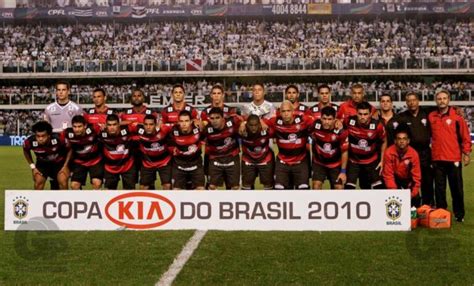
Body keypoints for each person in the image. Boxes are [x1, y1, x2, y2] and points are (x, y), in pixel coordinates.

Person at [429, 90, 471, 222]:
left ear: (448, 100)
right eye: (439, 98)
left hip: (453, 159)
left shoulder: (457, 117)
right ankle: (442, 214)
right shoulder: (431, 116)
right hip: (437, 159)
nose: (442, 100)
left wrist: (467, 153)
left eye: (444, 98)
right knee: (439, 190)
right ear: (436, 100)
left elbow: (465, 136)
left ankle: (459, 215)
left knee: (456, 189)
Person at [266, 100, 313, 190]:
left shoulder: (303, 120)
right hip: (282, 162)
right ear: (280, 112)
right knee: (279, 189)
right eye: (283, 111)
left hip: (301, 161)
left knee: (303, 190)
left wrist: (336, 121)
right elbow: (261, 122)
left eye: (288, 111)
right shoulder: (275, 121)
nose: (286, 114)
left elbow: (319, 122)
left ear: (293, 111)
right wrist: (244, 124)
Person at [397, 92, 434, 206]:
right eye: (409, 101)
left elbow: (442, 107)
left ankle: (428, 206)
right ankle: (413, 206)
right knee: (411, 181)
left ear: (418, 101)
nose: (411, 103)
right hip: (410, 154)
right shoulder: (402, 117)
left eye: (414, 100)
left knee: (427, 181)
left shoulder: (426, 112)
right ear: (406, 103)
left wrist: (456, 108)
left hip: (425, 154)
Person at [344, 102, 386, 190]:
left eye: (365, 114)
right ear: (356, 113)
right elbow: (337, 123)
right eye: (360, 114)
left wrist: (382, 160)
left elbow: (384, 141)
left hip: (371, 161)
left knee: (378, 188)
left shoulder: (377, 125)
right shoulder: (349, 121)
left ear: (370, 114)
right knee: (348, 188)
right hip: (353, 161)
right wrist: (337, 122)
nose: (363, 117)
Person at [23, 121, 71, 190]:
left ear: (49, 135)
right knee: (38, 182)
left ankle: (64, 200)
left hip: (59, 163)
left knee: (63, 182)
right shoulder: (30, 142)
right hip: (42, 164)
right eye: (38, 136)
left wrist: (66, 166)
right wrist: (33, 167)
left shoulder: (59, 138)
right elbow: (25, 151)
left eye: (43, 136)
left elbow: (70, 149)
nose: (40, 139)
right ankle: (37, 200)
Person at [202, 107, 242, 190]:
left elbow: (246, 119)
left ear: (223, 118)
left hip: (232, 156)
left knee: (235, 187)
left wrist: (243, 123)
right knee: (212, 186)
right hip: (215, 158)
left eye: (217, 118)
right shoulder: (206, 130)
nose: (214, 120)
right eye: (212, 118)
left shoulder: (233, 121)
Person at [310, 106, 349, 189]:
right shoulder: (315, 125)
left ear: (335, 119)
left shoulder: (341, 132)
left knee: (339, 187)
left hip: (336, 165)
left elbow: (344, 152)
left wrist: (343, 172)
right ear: (320, 118)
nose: (326, 122)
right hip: (319, 163)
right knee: (316, 185)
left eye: (329, 119)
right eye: (324, 119)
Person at [383, 126, 421, 206]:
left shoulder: (414, 154)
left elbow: (416, 177)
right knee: (390, 198)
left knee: (416, 198)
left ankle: (414, 217)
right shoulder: (389, 152)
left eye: (404, 139)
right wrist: (395, 193)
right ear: (395, 141)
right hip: (395, 179)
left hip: (408, 180)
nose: (402, 141)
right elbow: (388, 175)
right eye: (399, 139)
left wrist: (412, 194)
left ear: (408, 141)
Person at [133, 114, 173, 190]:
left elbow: (178, 126)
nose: (148, 127)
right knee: (143, 187)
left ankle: (166, 201)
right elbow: (126, 125)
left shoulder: (164, 129)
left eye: (151, 124)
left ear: (155, 125)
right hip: (148, 163)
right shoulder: (139, 130)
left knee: (167, 186)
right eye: (146, 124)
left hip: (164, 162)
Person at [168, 110, 205, 190]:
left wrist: (202, 124)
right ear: (178, 122)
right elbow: (169, 146)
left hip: (196, 165)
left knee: (201, 189)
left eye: (186, 121)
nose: (184, 124)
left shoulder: (198, 129)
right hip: (179, 165)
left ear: (191, 121)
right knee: (176, 190)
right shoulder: (173, 131)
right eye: (181, 121)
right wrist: (173, 150)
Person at [64, 115, 103, 190]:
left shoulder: (94, 128)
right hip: (79, 162)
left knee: (97, 183)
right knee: (74, 185)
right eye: (74, 127)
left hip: (95, 161)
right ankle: (81, 200)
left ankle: (96, 200)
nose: (77, 129)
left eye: (79, 126)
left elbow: (105, 128)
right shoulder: (68, 133)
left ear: (85, 126)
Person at [99, 114, 137, 190]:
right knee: (110, 193)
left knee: (129, 193)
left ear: (119, 124)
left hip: (127, 166)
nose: (112, 127)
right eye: (109, 125)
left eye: (114, 124)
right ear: (106, 125)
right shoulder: (101, 132)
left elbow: (142, 124)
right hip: (110, 168)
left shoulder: (128, 130)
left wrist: (124, 122)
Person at [240, 115, 275, 190]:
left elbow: (275, 121)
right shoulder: (242, 130)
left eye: (256, 125)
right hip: (248, 161)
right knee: (246, 185)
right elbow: (236, 118)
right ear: (247, 125)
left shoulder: (266, 130)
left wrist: (262, 121)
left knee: (268, 185)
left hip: (265, 160)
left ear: (259, 124)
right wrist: (242, 123)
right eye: (251, 125)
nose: (253, 127)